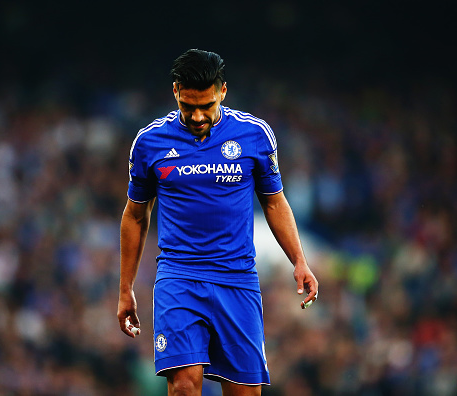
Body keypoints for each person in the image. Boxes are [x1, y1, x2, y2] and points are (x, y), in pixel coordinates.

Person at [117, 49, 318, 396]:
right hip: (179, 277)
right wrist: (125, 290)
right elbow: (136, 214)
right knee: (183, 385)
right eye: (189, 106)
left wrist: (299, 260)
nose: (197, 116)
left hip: (236, 278)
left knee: (245, 393)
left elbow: (273, 202)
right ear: (176, 91)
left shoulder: (254, 135)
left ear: (223, 92)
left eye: (206, 106)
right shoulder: (149, 142)